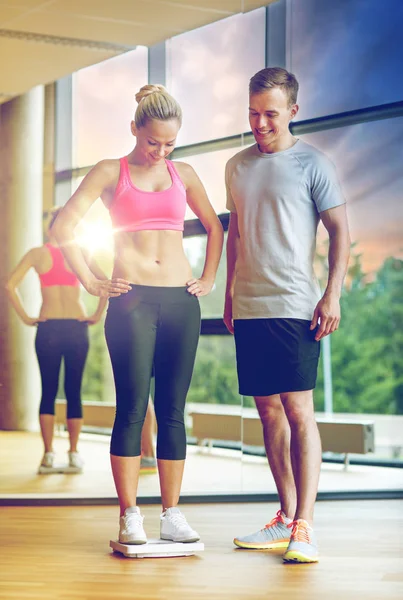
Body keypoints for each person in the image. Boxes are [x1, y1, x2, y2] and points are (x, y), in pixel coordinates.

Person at [53, 84, 224, 545]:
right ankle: (130, 514)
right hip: (131, 300)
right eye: (153, 142)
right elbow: (63, 225)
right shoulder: (111, 171)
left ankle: (172, 513)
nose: (161, 151)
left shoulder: (183, 173)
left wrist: (207, 279)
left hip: (180, 303)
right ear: (134, 129)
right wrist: (90, 280)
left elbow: (214, 226)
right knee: (132, 408)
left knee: (172, 409)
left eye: (169, 143)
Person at [224, 67, 350, 563]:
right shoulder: (235, 166)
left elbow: (340, 231)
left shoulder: (313, 164)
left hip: (296, 307)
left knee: (299, 411)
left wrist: (332, 294)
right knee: (267, 410)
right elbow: (235, 234)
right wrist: (231, 294)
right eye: (253, 113)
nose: (259, 123)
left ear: (294, 111)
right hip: (251, 307)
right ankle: (284, 515)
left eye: (270, 114)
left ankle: (307, 525)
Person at [5, 208, 107, 473]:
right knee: (74, 392)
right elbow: (107, 283)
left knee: (48, 391)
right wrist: (97, 313)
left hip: (48, 327)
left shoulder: (38, 253)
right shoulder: (81, 252)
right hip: (76, 327)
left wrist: (27, 318)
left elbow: (9, 286)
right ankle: (72, 454)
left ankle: (49, 455)